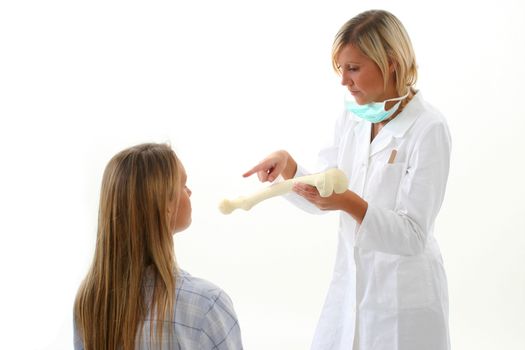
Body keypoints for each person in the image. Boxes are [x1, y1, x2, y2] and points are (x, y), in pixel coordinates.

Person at [243, 10, 451, 350]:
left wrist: (348, 202)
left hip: (403, 302)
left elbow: (414, 235)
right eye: (341, 70)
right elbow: (327, 187)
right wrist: (291, 169)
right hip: (351, 291)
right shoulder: (353, 117)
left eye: (353, 69)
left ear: (391, 62)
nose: (344, 82)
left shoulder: (429, 128)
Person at [74, 143, 243, 350]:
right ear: (164, 207)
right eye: (183, 185)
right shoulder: (206, 305)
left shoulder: (91, 299)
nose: (189, 192)